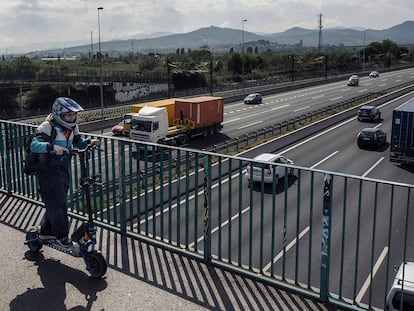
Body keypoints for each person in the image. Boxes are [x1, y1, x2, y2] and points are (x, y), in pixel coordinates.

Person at [30, 97, 100, 248]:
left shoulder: (72, 128)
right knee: (59, 204)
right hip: (47, 171)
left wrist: (88, 142)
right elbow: (33, 145)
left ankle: (46, 231)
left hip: (62, 169)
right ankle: (61, 237)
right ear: (59, 114)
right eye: (69, 115)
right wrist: (52, 147)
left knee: (55, 203)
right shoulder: (47, 127)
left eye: (73, 115)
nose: (72, 117)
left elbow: (77, 142)